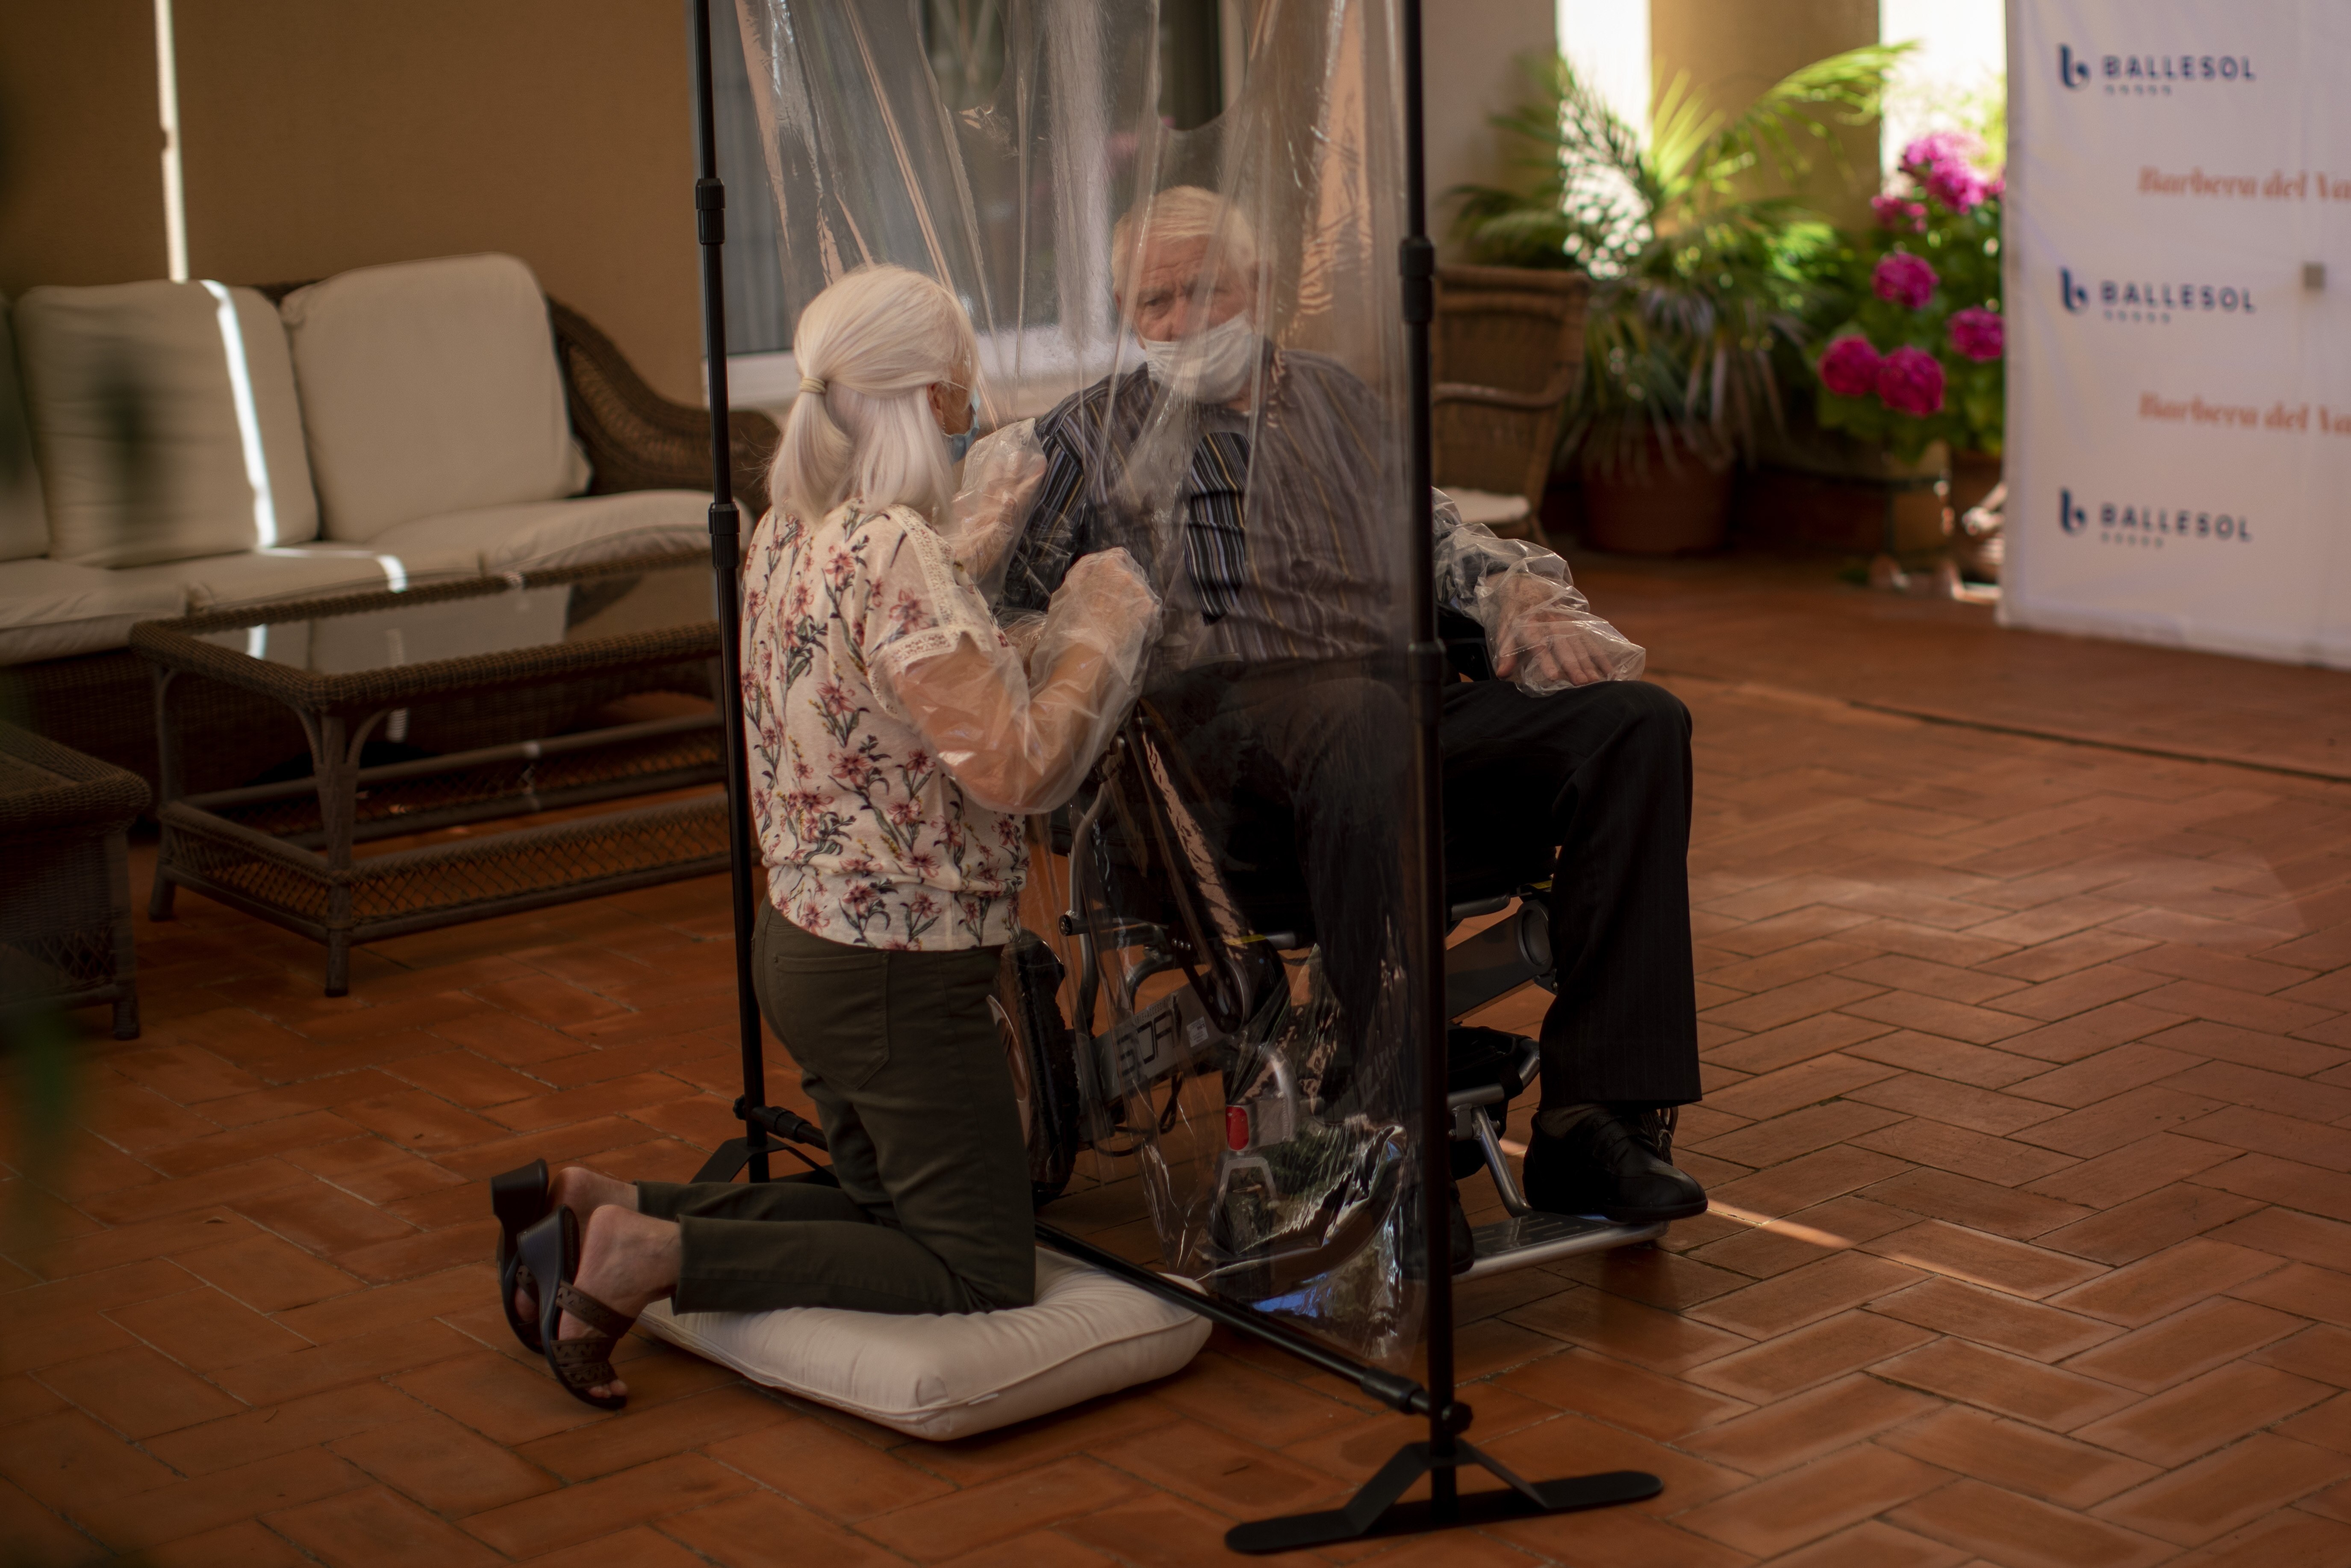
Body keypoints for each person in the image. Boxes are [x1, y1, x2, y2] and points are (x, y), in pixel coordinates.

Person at [492, 264, 1159, 1409]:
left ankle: (605, 1204)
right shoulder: (894, 549)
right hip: (896, 972)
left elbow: (899, 686)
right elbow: (1013, 767)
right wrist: (1098, 627)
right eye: (963, 387)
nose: (973, 409)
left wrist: (986, 565)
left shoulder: (788, 531)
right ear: (930, 399)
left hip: (805, 945)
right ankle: (655, 1259)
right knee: (975, 1259)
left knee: (880, 1211)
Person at [998, 186, 1706, 1226]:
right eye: (1154, 302)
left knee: (1637, 726)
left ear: (1260, 289)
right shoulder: (1086, 437)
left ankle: (1593, 1119)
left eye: (1206, 289)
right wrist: (1079, 641)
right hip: (1210, 769)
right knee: (1356, 718)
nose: (1184, 318)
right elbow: (1005, 615)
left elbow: (1431, 536)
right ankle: (1386, 1134)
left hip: (1393, 717)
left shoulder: (1336, 400)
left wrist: (1511, 595)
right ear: (1124, 315)